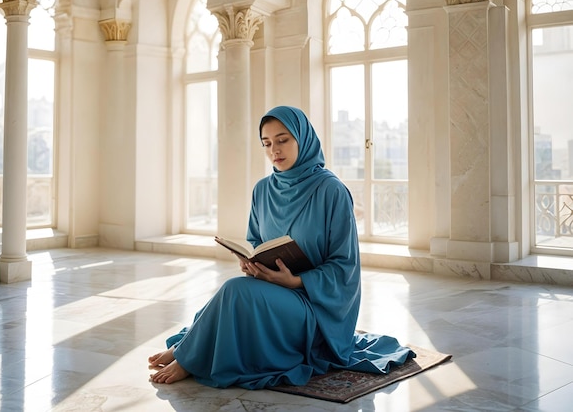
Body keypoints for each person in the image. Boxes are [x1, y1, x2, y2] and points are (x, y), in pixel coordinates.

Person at [148, 105, 415, 388]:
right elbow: (255, 241)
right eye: (266, 143)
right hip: (272, 291)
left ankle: (187, 357)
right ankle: (187, 349)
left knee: (233, 290)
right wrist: (252, 263)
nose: (274, 150)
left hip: (314, 307)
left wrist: (296, 280)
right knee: (237, 290)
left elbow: (345, 268)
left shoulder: (331, 191)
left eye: (283, 139)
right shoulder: (262, 190)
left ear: (302, 138)